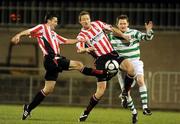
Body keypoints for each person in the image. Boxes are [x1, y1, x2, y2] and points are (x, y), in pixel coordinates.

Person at [11, 12, 109, 120]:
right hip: (52, 59)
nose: (56, 23)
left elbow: (66, 41)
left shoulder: (53, 34)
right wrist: (18, 35)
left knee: (48, 89)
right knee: (78, 64)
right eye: (55, 21)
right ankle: (102, 73)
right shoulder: (42, 28)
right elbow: (29, 31)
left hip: (52, 61)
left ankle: (28, 108)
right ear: (49, 20)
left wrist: (80, 40)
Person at [76, 11, 136, 122]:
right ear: (80, 22)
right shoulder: (81, 36)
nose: (86, 21)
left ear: (90, 19)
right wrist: (86, 49)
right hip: (101, 60)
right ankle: (86, 112)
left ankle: (125, 93)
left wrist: (123, 35)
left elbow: (112, 28)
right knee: (100, 91)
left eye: (87, 19)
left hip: (112, 54)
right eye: (83, 19)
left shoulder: (98, 24)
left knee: (131, 69)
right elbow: (79, 49)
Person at [108, 14, 154, 124]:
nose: (123, 25)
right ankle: (134, 113)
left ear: (127, 24)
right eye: (120, 23)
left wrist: (148, 31)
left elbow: (147, 38)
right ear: (117, 24)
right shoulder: (111, 36)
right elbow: (103, 45)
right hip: (122, 64)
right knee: (126, 92)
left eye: (124, 23)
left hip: (135, 62)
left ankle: (145, 108)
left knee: (140, 80)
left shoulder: (134, 33)